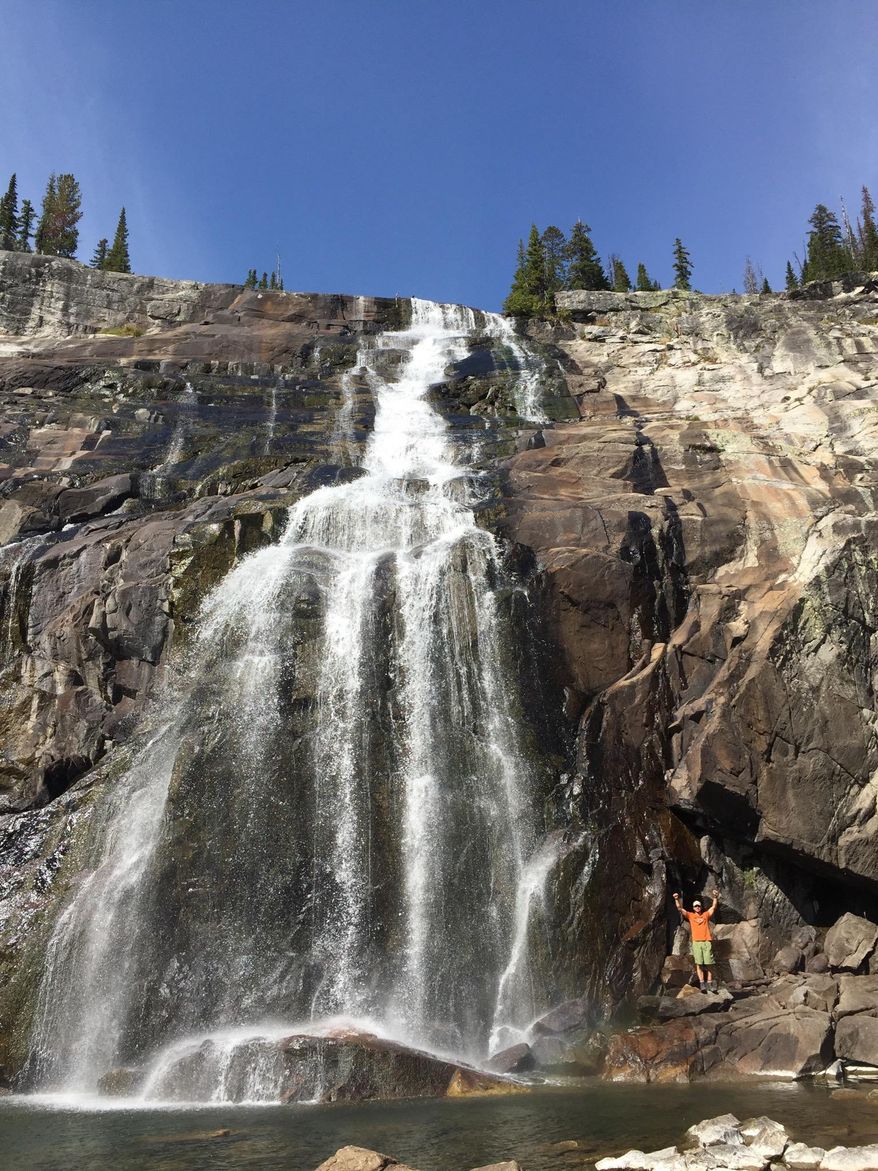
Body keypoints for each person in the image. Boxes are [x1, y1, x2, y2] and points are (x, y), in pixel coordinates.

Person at [673, 888, 720, 993]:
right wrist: (676, 899)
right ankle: (702, 983)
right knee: (699, 964)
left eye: (698, 906)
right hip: (696, 942)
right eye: (695, 906)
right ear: (693, 908)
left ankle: (710, 983)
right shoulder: (691, 915)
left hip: (706, 941)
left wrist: (715, 897)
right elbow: (680, 909)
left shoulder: (705, 915)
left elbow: (714, 907)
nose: (697, 907)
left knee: (709, 963)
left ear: (701, 907)